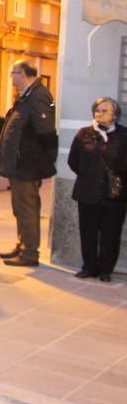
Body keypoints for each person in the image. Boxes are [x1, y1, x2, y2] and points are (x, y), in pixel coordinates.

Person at [0, 60, 57, 267]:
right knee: (19, 208)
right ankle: (22, 245)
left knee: (27, 208)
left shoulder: (39, 95)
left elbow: (47, 132)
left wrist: (47, 159)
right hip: (19, 164)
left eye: (13, 73)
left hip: (28, 164)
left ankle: (30, 253)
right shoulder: (26, 96)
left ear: (23, 74)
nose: (11, 77)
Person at [67, 97, 127, 283]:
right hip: (88, 192)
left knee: (111, 233)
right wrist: (89, 176)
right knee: (88, 231)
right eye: (97, 110)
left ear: (115, 114)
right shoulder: (84, 134)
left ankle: (105, 269)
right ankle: (89, 267)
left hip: (114, 194)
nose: (99, 113)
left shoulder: (124, 135)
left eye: (104, 110)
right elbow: (73, 161)